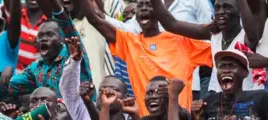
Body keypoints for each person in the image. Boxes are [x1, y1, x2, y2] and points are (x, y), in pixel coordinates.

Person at [79, 0, 212, 113]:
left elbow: (217, 55)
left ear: (160, 12)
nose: (143, 9)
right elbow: (95, 19)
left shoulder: (182, 41)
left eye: (148, 5)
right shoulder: (129, 42)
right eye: (140, 5)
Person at [0, 3, 92, 100]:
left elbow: (65, 24)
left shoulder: (73, 52)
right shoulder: (36, 68)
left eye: (49, 34)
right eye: (40, 36)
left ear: (61, 39)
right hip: (56, 116)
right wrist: (5, 74)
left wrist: (54, 3)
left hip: (86, 115)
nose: (44, 38)